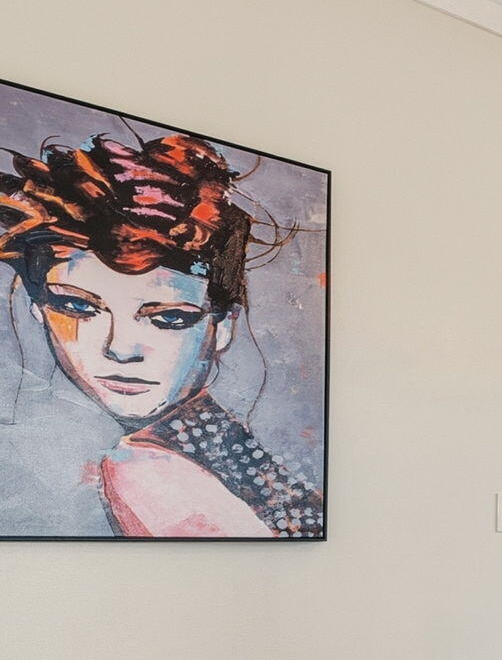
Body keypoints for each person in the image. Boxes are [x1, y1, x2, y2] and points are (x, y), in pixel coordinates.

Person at [0, 132, 321, 537]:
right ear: (38, 311)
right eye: (78, 307)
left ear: (222, 326)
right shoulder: (219, 438)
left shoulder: (146, 469)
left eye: (168, 318)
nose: (119, 349)